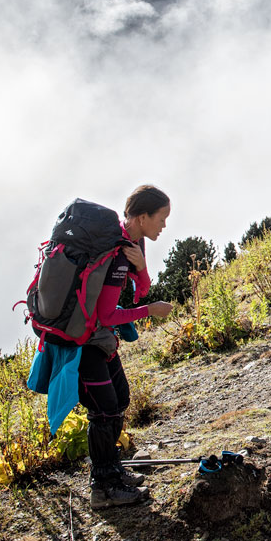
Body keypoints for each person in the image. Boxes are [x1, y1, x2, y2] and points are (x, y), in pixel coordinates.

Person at [82, 185, 173, 509]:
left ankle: (114, 473)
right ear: (143, 216)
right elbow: (109, 313)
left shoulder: (131, 245)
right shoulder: (115, 251)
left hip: (99, 339)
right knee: (104, 409)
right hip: (82, 343)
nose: (163, 226)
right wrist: (149, 312)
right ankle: (102, 488)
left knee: (119, 399)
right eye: (161, 218)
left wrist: (141, 267)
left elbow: (140, 291)